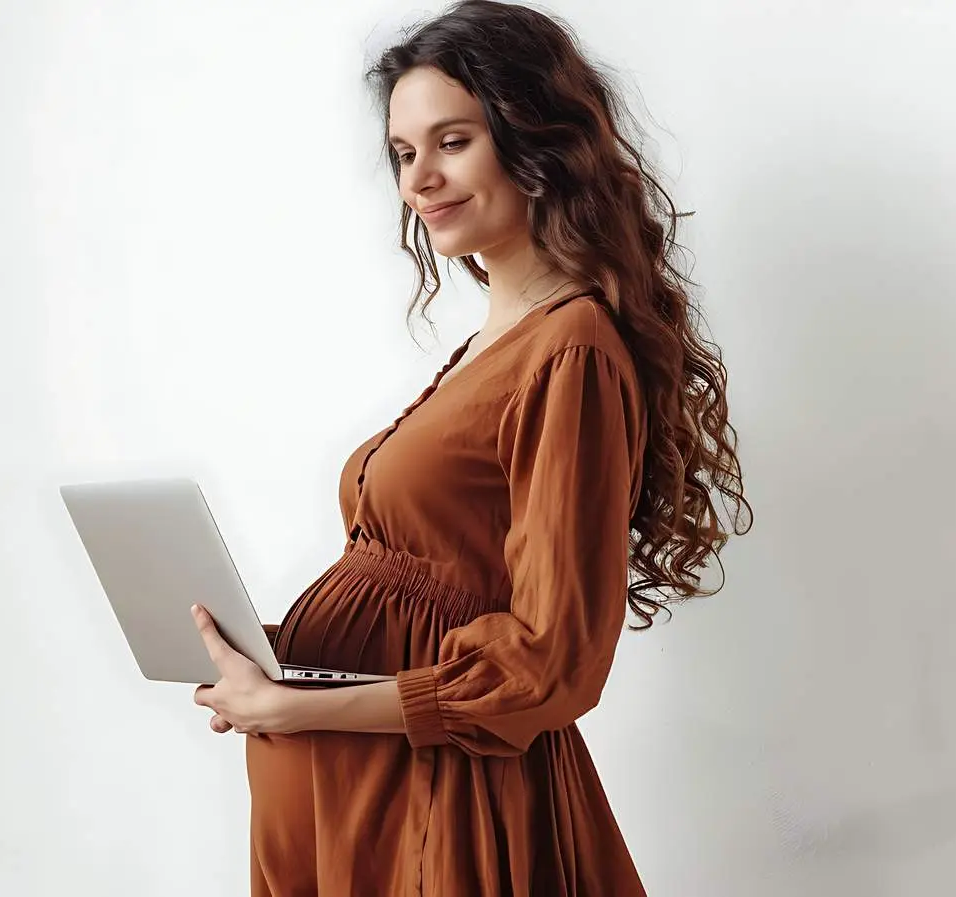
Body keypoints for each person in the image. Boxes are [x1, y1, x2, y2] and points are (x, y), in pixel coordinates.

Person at [189, 2, 751, 894]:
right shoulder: (490, 346)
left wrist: (309, 702)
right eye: (404, 153)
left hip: (439, 799)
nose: (421, 179)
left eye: (452, 141)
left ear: (536, 143)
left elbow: (548, 659)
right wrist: (285, 656)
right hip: (357, 793)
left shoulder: (570, 349)